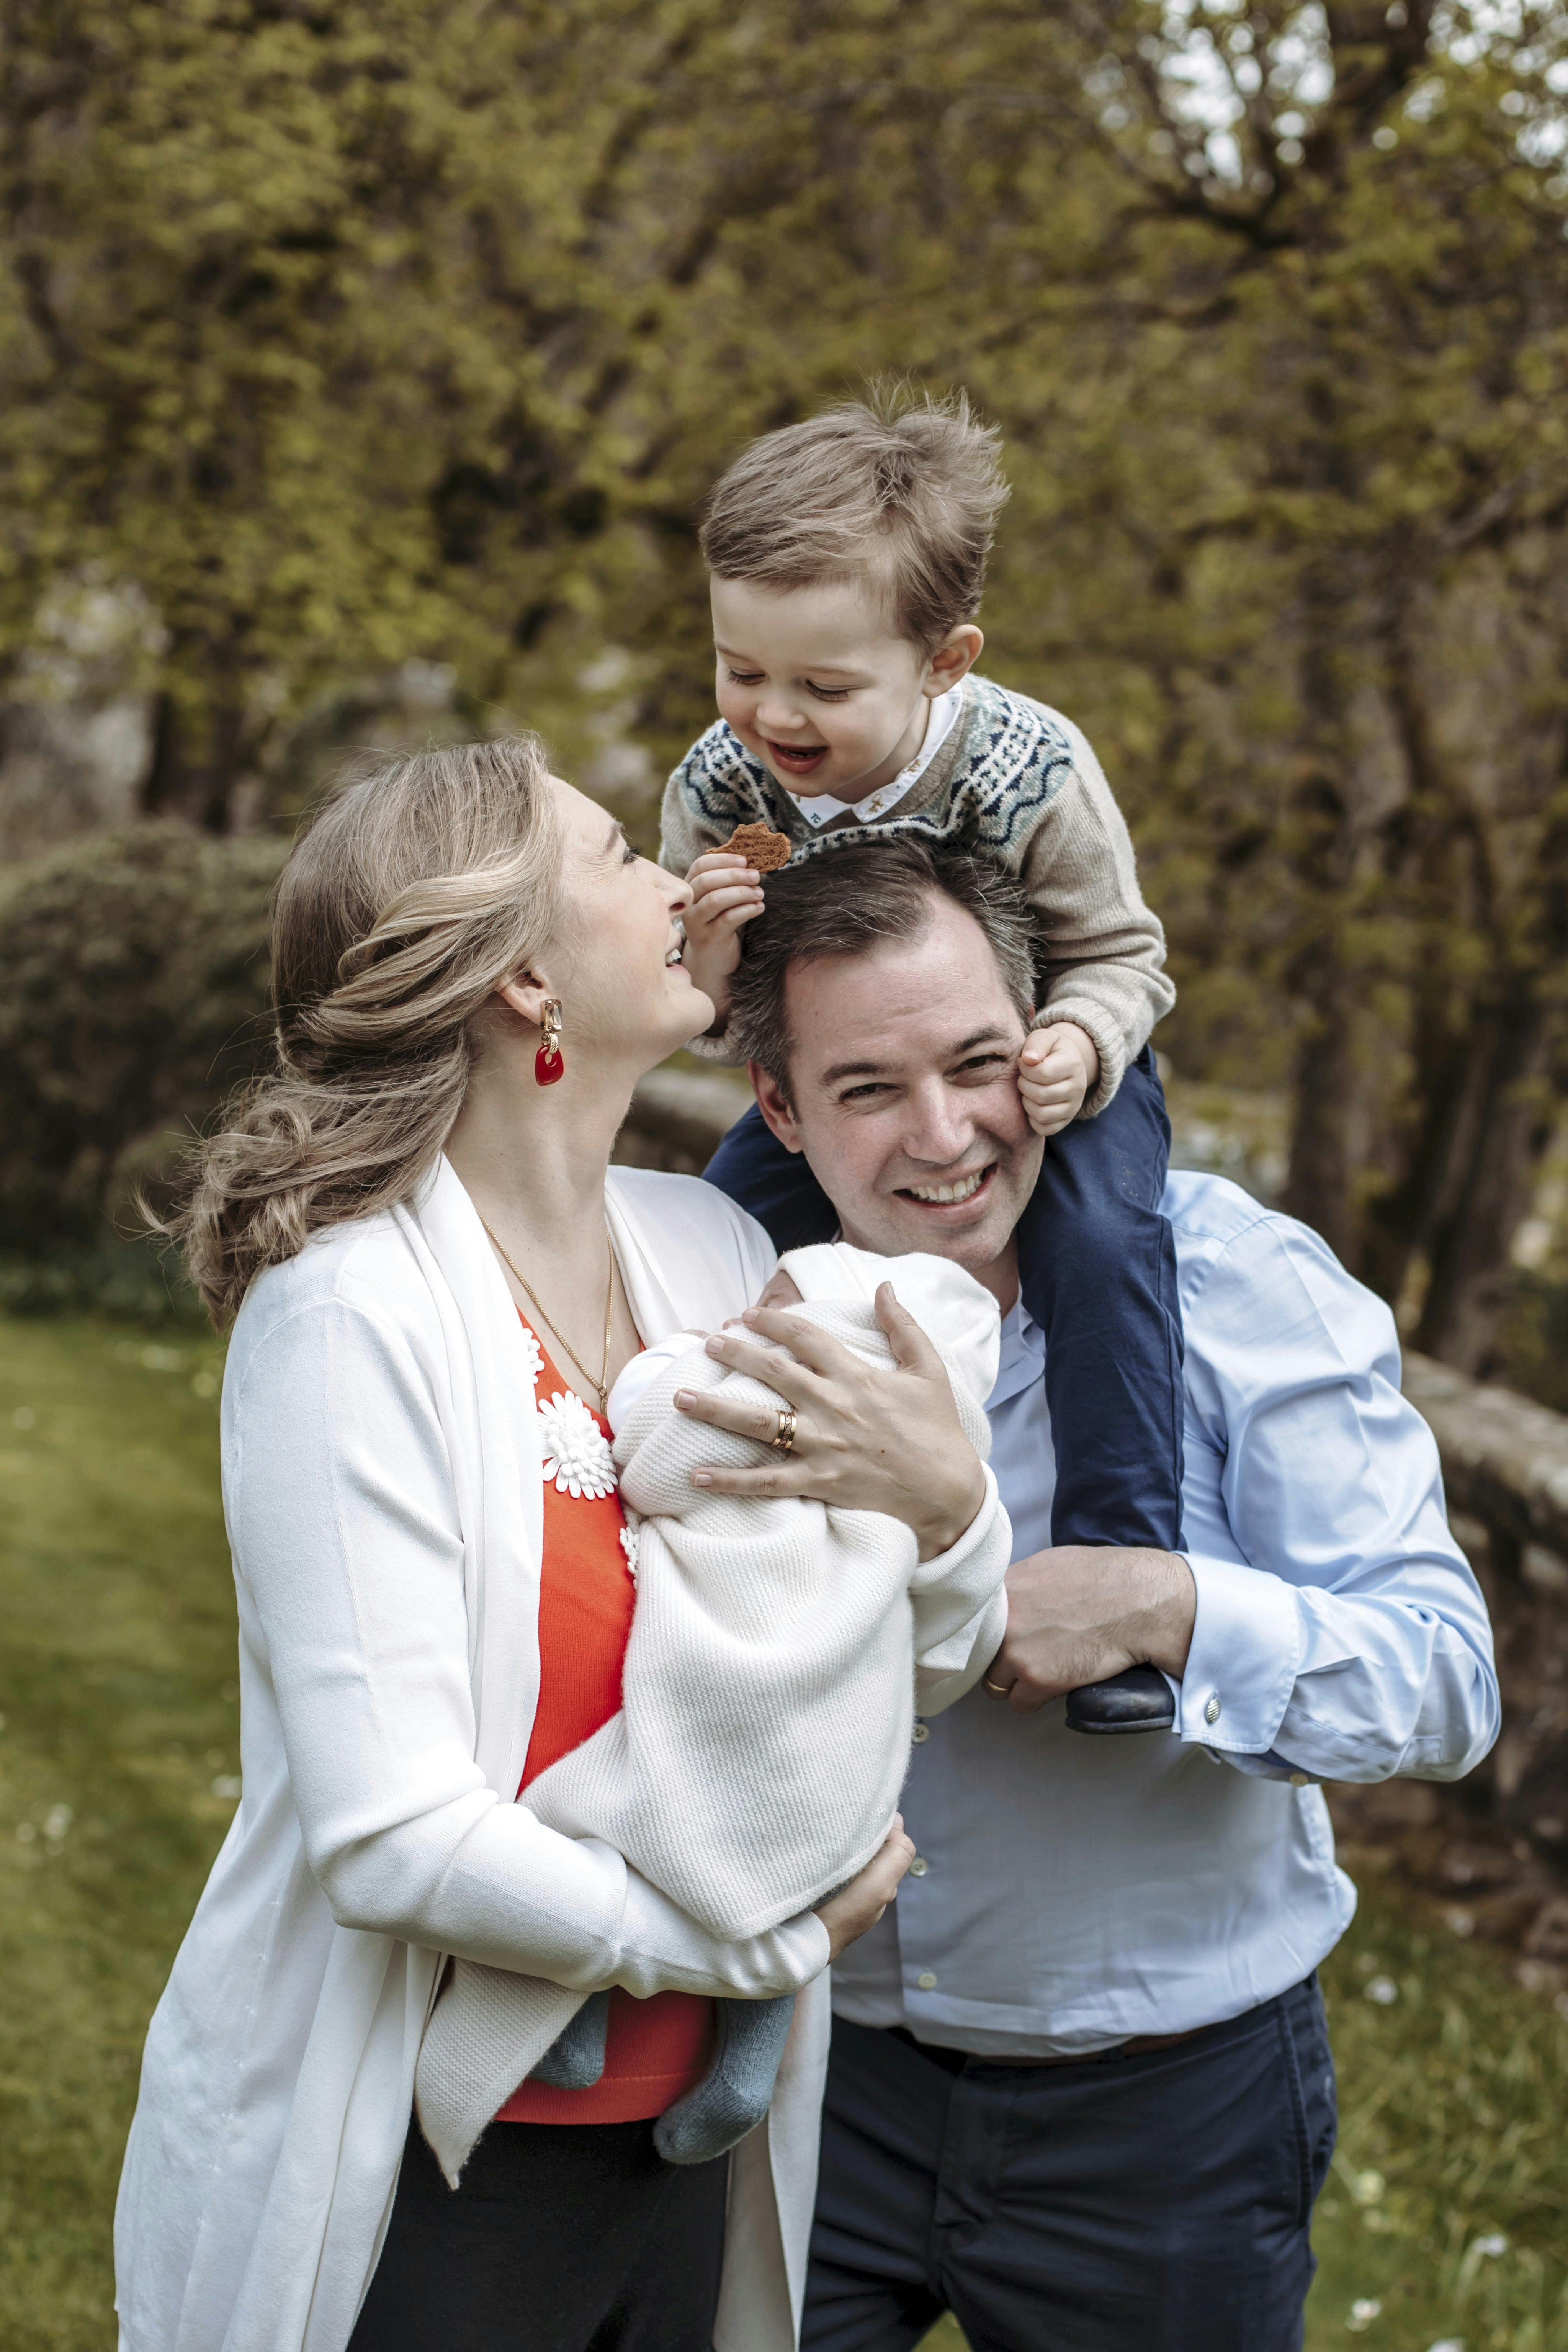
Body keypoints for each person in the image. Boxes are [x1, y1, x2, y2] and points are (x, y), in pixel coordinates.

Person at [112, 739, 1003, 2352]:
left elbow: (898, 1649)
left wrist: (948, 1512)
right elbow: (387, 1838)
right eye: (618, 856)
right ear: (526, 974)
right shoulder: (349, 1313)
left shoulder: (716, 1245)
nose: (682, 884)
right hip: (422, 2175)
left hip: (690, 2164)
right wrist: (756, 1941)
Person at [703, 835, 1502, 2352]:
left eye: (978, 1061)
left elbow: (1446, 1680)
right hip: (809, 2075)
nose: (943, 1134)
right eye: (868, 1086)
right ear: (781, 1105)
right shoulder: (725, 1309)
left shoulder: (1238, 1283)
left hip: (1165, 2116)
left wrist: (1170, 1605)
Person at [661, 387, 1182, 1731]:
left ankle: (1123, 1558)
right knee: (709, 1231)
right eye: (739, 668)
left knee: (1107, 1244)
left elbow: (1126, 955)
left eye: (823, 687)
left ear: (944, 661)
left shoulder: (1031, 772)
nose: (769, 715)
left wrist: (1075, 1038)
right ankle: (693, 1549)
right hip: (834, 1087)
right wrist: (707, 975)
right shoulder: (724, 790)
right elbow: (700, 1007)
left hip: (1046, 1069)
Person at [415, 1239, 1011, 2183]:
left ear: (817, 1330)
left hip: (743, 1684)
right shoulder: (924, 1451)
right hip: (843, 1728)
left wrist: (670, 1360)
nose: (745, 1314)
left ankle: (572, 1999)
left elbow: (654, 1452)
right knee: (796, 1864)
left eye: (776, 1301)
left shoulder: (759, 1395)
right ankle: (743, 2064)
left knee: (616, 1812)